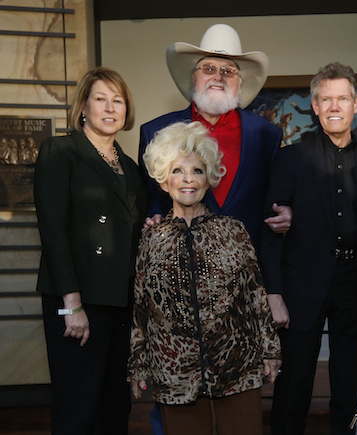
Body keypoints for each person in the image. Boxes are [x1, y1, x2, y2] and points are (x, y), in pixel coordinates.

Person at [260, 62, 357, 434]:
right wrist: (273, 293)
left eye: (342, 99)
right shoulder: (291, 159)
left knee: (351, 386)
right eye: (326, 99)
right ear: (315, 106)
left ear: (355, 104)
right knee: (293, 387)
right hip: (301, 287)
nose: (334, 106)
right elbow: (270, 230)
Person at [128, 121, 281, 435]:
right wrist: (138, 361)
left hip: (237, 367)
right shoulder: (150, 239)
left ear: (209, 177)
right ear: (163, 179)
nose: (187, 180)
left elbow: (255, 296)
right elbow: (142, 308)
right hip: (175, 371)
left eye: (196, 171)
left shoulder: (233, 230)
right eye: (177, 171)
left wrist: (271, 350)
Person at [34, 67, 146, 434]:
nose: (110, 107)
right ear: (83, 107)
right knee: (78, 406)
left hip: (118, 300)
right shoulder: (60, 151)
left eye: (118, 101)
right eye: (101, 99)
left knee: (114, 404)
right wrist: (72, 305)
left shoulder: (130, 167)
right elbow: (53, 231)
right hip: (78, 300)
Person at [138, 23, 289, 245]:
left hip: (248, 263)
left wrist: (288, 213)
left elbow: (278, 197)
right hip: (179, 261)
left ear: (239, 83)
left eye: (228, 71)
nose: (218, 77)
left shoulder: (267, 135)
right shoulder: (154, 131)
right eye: (208, 69)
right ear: (193, 77)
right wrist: (153, 214)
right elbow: (147, 196)